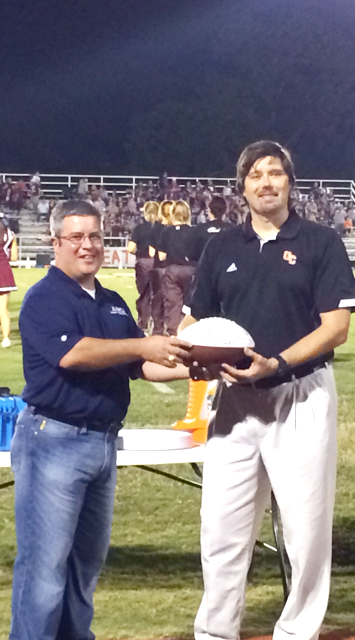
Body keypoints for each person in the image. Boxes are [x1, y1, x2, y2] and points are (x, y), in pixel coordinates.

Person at [179, 140, 355, 640]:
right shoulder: (222, 246)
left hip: (299, 395)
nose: (266, 182)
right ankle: (215, 632)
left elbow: (336, 327)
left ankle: (296, 632)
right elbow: (195, 318)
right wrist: (189, 351)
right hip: (234, 401)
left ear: (290, 182)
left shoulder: (320, 241)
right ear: (243, 188)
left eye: (275, 172)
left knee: (305, 532)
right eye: (255, 175)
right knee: (221, 530)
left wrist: (275, 363)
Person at [9, 199, 192, 640]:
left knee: (84, 569)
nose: (87, 245)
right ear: (56, 242)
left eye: (94, 235)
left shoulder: (110, 301)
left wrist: (199, 363)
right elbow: (74, 355)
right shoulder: (43, 297)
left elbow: (143, 365)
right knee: (45, 571)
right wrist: (141, 347)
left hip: (102, 444)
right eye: (76, 237)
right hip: (54, 439)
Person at [158, 200, 196, 335]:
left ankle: (174, 334)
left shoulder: (166, 232)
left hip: (172, 270)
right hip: (191, 270)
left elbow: (161, 256)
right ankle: (190, 334)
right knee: (191, 306)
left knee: (173, 305)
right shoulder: (195, 231)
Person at [128, 200, 159, 333]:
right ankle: (157, 323)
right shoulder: (161, 228)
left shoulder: (140, 228)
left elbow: (131, 248)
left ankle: (143, 322)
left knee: (144, 294)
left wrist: (139, 251)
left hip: (143, 263)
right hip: (159, 264)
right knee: (158, 295)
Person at [148, 200, 173, 335]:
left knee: (157, 301)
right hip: (171, 267)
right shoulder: (174, 229)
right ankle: (172, 330)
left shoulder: (155, 229)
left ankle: (156, 330)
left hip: (158, 268)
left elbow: (151, 252)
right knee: (173, 302)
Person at [0, 211, 18, 347]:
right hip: (4, 272)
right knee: (3, 309)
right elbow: (14, 257)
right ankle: (6, 339)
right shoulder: (10, 234)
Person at [187, 195, 232, 263]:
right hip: (226, 269)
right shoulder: (232, 229)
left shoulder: (199, 229)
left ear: (209, 210)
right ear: (225, 210)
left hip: (204, 268)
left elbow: (192, 254)